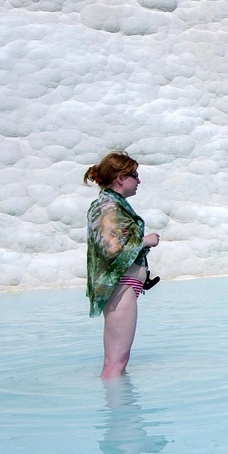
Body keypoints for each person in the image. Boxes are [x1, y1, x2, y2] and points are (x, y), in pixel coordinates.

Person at [85, 151, 160, 379]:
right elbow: (110, 246)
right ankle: (119, 412)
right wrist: (146, 241)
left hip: (124, 286)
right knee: (115, 363)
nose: (139, 181)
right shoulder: (108, 207)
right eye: (135, 175)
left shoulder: (111, 204)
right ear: (120, 178)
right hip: (121, 286)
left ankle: (121, 409)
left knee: (117, 361)